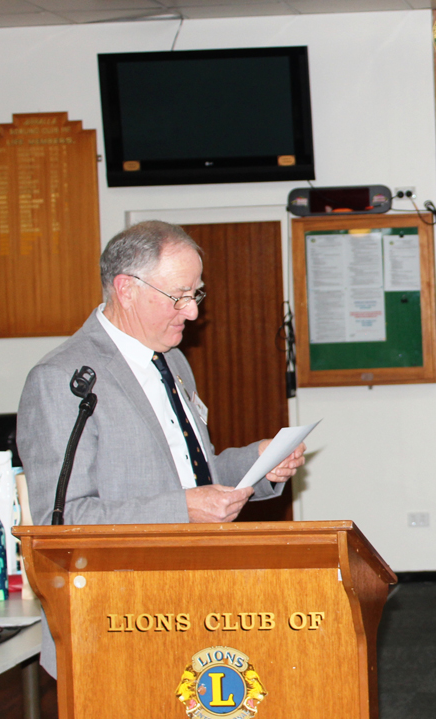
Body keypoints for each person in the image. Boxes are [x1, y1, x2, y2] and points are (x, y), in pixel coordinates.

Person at [17, 221, 306, 672]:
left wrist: (258, 463)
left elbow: (194, 476)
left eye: (197, 294)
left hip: (194, 602)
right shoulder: (63, 379)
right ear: (126, 289)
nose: (192, 312)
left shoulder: (173, 361)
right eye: (179, 296)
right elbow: (65, 521)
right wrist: (182, 510)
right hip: (116, 621)